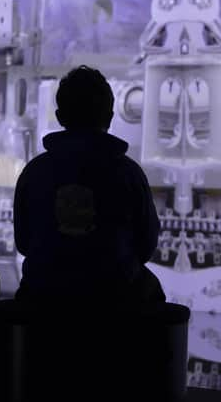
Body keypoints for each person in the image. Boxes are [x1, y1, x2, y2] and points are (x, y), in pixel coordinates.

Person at [13, 65, 165, 303]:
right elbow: (146, 245)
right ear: (110, 116)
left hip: (44, 294)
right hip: (115, 295)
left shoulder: (34, 172)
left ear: (61, 116)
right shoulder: (129, 173)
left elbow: (23, 243)